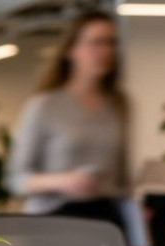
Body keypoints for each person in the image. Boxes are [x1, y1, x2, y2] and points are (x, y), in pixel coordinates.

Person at [7, 10, 129, 228]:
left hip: (104, 218)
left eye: (112, 43)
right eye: (97, 42)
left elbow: (122, 179)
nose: (106, 51)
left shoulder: (118, 105)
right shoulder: (45, 105)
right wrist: (63, 181)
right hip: (54, 218)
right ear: (72, 49)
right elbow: (16, 180)